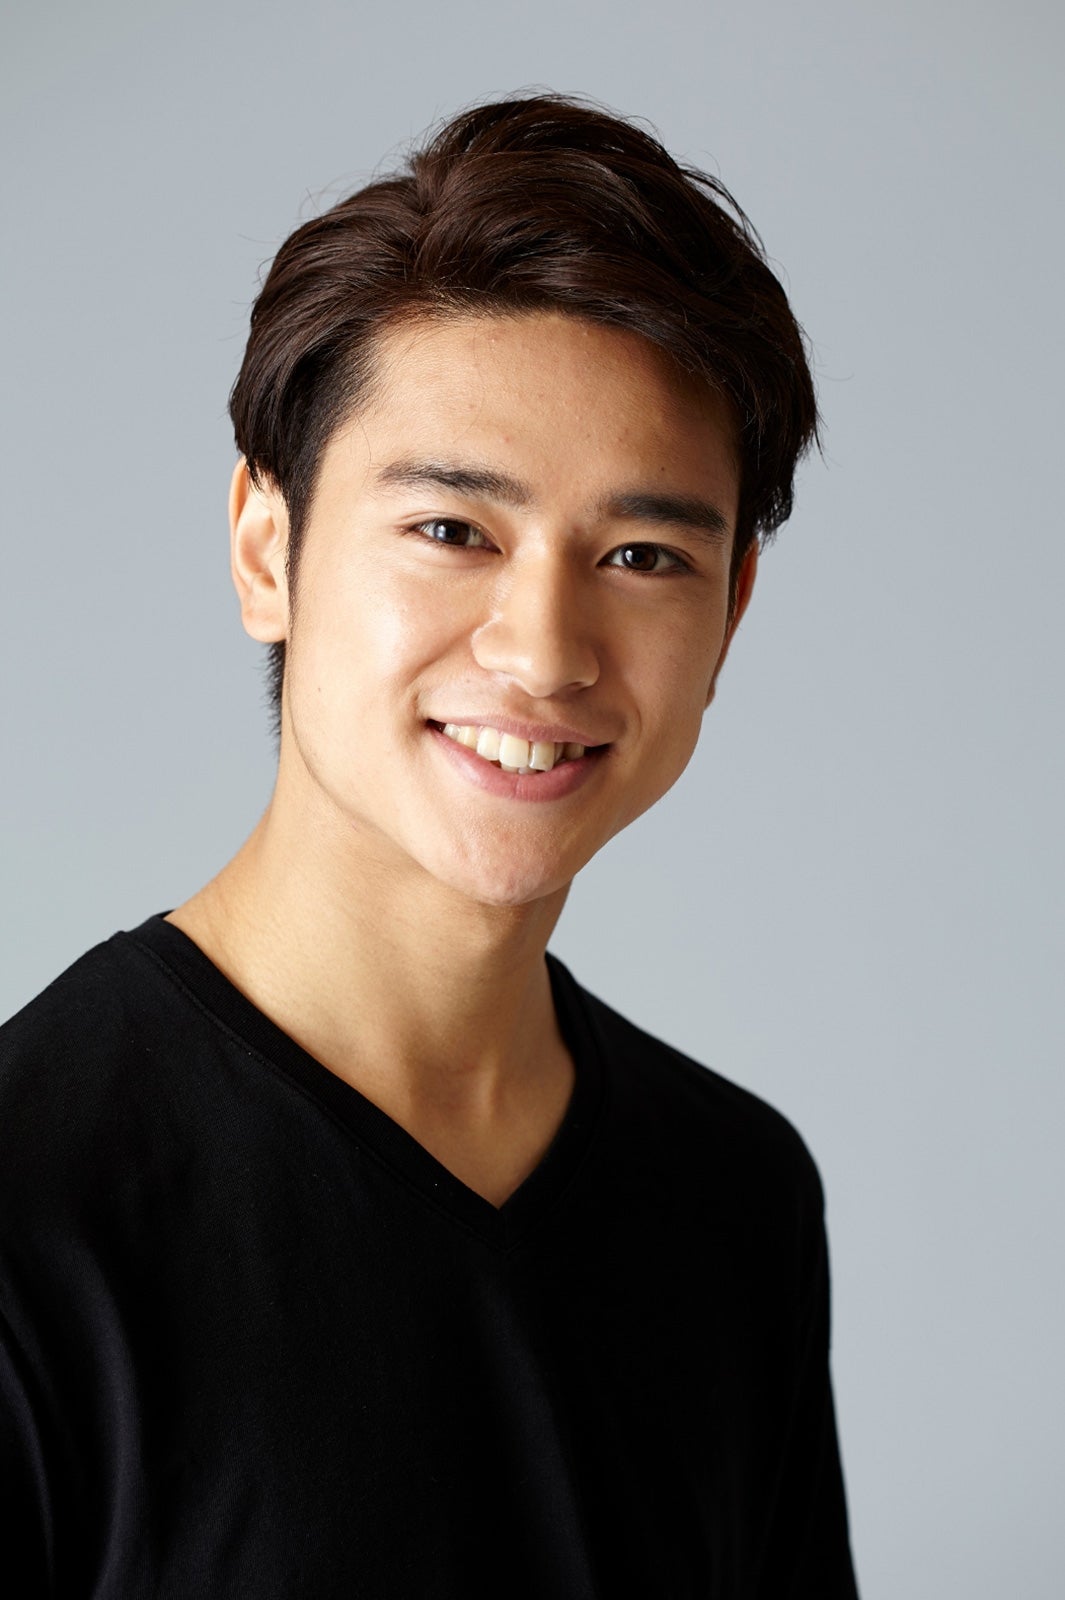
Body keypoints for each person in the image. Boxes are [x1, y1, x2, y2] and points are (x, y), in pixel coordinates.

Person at [0, 94, 859, 1597]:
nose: (543, 651)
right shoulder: (34, 1211)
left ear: (729, 617)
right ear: (266, 549)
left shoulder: (736, 1201)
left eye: (642, 556)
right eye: (454, 531)